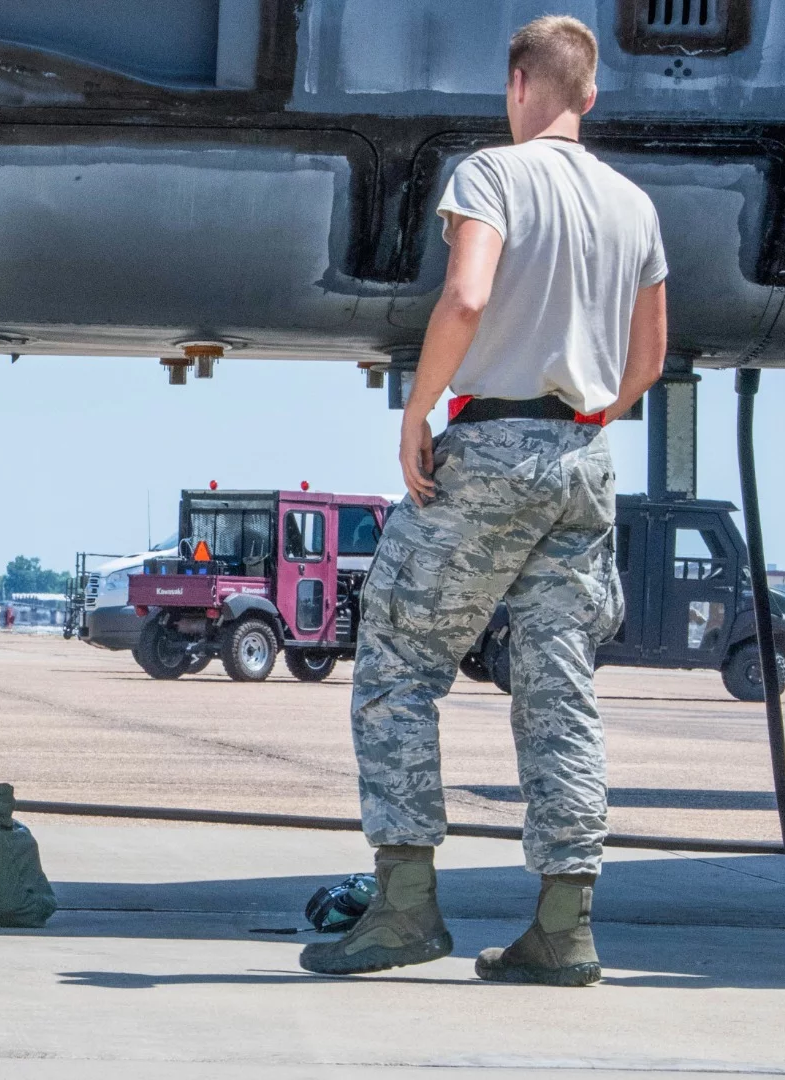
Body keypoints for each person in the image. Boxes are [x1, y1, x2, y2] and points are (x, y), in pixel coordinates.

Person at [300, 15, 667, 986]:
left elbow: (463, 298)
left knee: (395, 653)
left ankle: (405, 906)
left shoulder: (492, 176)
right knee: (557, 679)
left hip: (493, 439)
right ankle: (564, 923)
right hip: (584, 458)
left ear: (516, 86)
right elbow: (649, 360)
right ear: (588, 95)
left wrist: (419, 411)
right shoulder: (632, 207)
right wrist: (590, 416)